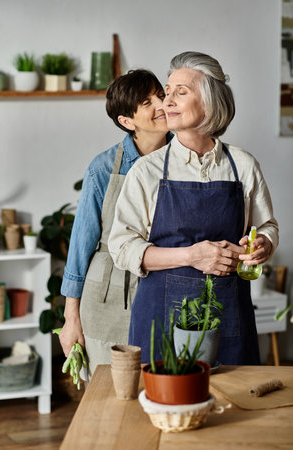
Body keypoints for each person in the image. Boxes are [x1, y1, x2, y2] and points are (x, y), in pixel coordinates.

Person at [108, 51, 279, 365]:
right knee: (165, 409)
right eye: (167, 92)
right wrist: (190, 256)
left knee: (236, 409)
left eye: (180, 92)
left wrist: (263, 244)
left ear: (210, 101)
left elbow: (266, 225)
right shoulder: (147, 171)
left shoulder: (243, 165)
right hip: (159, 320)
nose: (166, 101)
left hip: (228, 314)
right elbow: (121, 248)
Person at [59, 69, 172, 376]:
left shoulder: (186, 159)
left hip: (169, 288)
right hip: (108, 296)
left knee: (165, 385)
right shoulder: (104, 168)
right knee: (108, 390)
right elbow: (81, 246)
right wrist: (71, 318)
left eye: (161, 96)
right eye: (147, 102)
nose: (161, 105)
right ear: (127, 121)